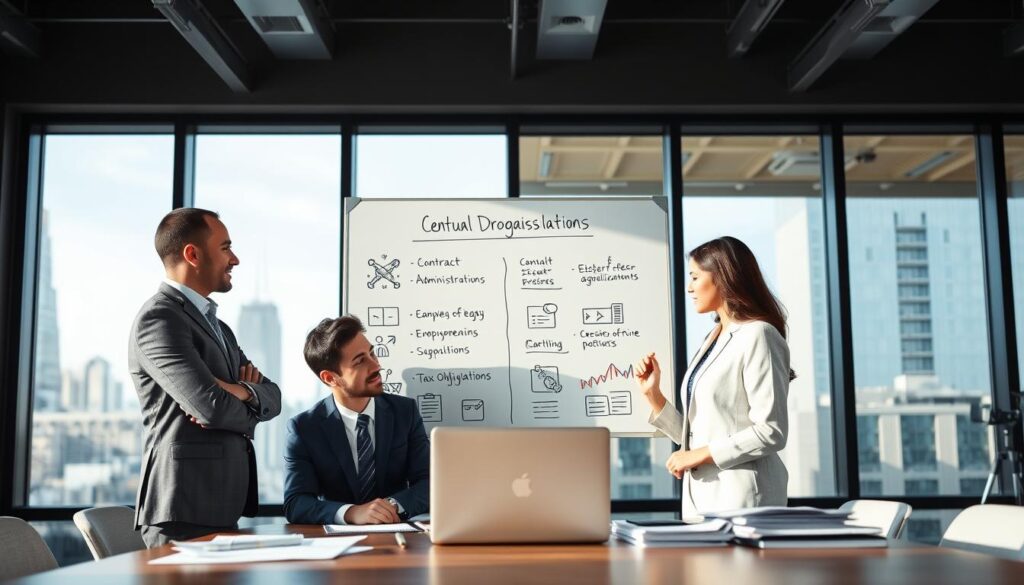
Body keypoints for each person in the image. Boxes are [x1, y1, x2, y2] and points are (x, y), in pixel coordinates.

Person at [130, 208, 282, 547]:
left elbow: (273, 396)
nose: (235, 259)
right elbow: (210, 407)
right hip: (182, 510)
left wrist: (240, 390)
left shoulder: (220, 327)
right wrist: (244, 394)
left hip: (221, 507)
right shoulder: (160, 319)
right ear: (192, 254)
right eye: (226, 247)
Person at [634, 236, 792, 517]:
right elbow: (697, 436)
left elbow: (771, 431)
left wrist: (698, 455)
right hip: (702, 499)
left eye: (695, 277)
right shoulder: (713, 338)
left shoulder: (759, 334)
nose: (689, 287)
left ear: (722, 276)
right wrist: (654, 396)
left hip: (743, 500)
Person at [284, 315, 429, 525]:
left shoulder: (405, 412)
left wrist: (389, 506)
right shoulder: (304, 428)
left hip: (398, 538)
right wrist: (352, 513)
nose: (376, 366)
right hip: (335, 546)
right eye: (360, 361)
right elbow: (296, 503)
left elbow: (429, 483)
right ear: (330, 378)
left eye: (372, 353)